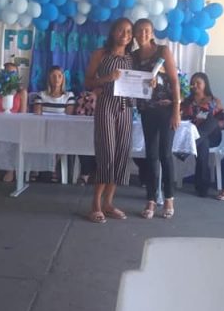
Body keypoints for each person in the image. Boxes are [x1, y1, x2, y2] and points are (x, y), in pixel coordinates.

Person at [84, 17, 134, 223]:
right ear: (113, 32)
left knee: (121, 154)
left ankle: (109, 203)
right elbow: (88, 81)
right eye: (121, 30)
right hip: (106, 105)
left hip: (126, 108)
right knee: (106, 153)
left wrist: (152, 83)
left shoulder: (133, 58)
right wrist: (106, 78)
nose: (125, 35)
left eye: (129, 31)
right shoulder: (101, 54)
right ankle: (95, 204)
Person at [132, 19, 180, 219]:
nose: (143, 34)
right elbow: (132, 81)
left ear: (152, 33)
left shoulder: (163, 51)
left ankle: (169, 198)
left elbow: (175, 80)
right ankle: (151, 199)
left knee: (165, 154)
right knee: (150, 155)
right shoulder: (133, 56)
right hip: (146, 110)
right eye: (139, 31)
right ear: (134, 34)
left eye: (146, 30)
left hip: (166, 109)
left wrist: (176, 109)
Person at [180, 72, 224, 197]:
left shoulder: (214, 101)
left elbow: (222, 124)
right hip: (196, 135)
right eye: (193, 83)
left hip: (213, 136)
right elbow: (183, 121)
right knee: (203, 143)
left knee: (212, 121)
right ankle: (202, 187)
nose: (195, 85)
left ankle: (188, 148)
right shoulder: (187, 102)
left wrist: (207, 122)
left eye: (198, 83)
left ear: (205, 84)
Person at [0, 62, 28, 182]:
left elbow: (23, 113)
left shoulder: (22, 92)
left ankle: (10, 170)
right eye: (7, 72)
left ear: (17, 75)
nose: (10, 75)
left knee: (14, 140)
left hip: (15, 125)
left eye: (13, 73)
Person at [73, 90, 97, 185]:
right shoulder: (85, 96)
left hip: (108, 130)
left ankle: (99, 173)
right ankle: (86, 173)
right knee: (84, 138)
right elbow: (80, 115)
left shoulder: (115, 96)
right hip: (86, 130)